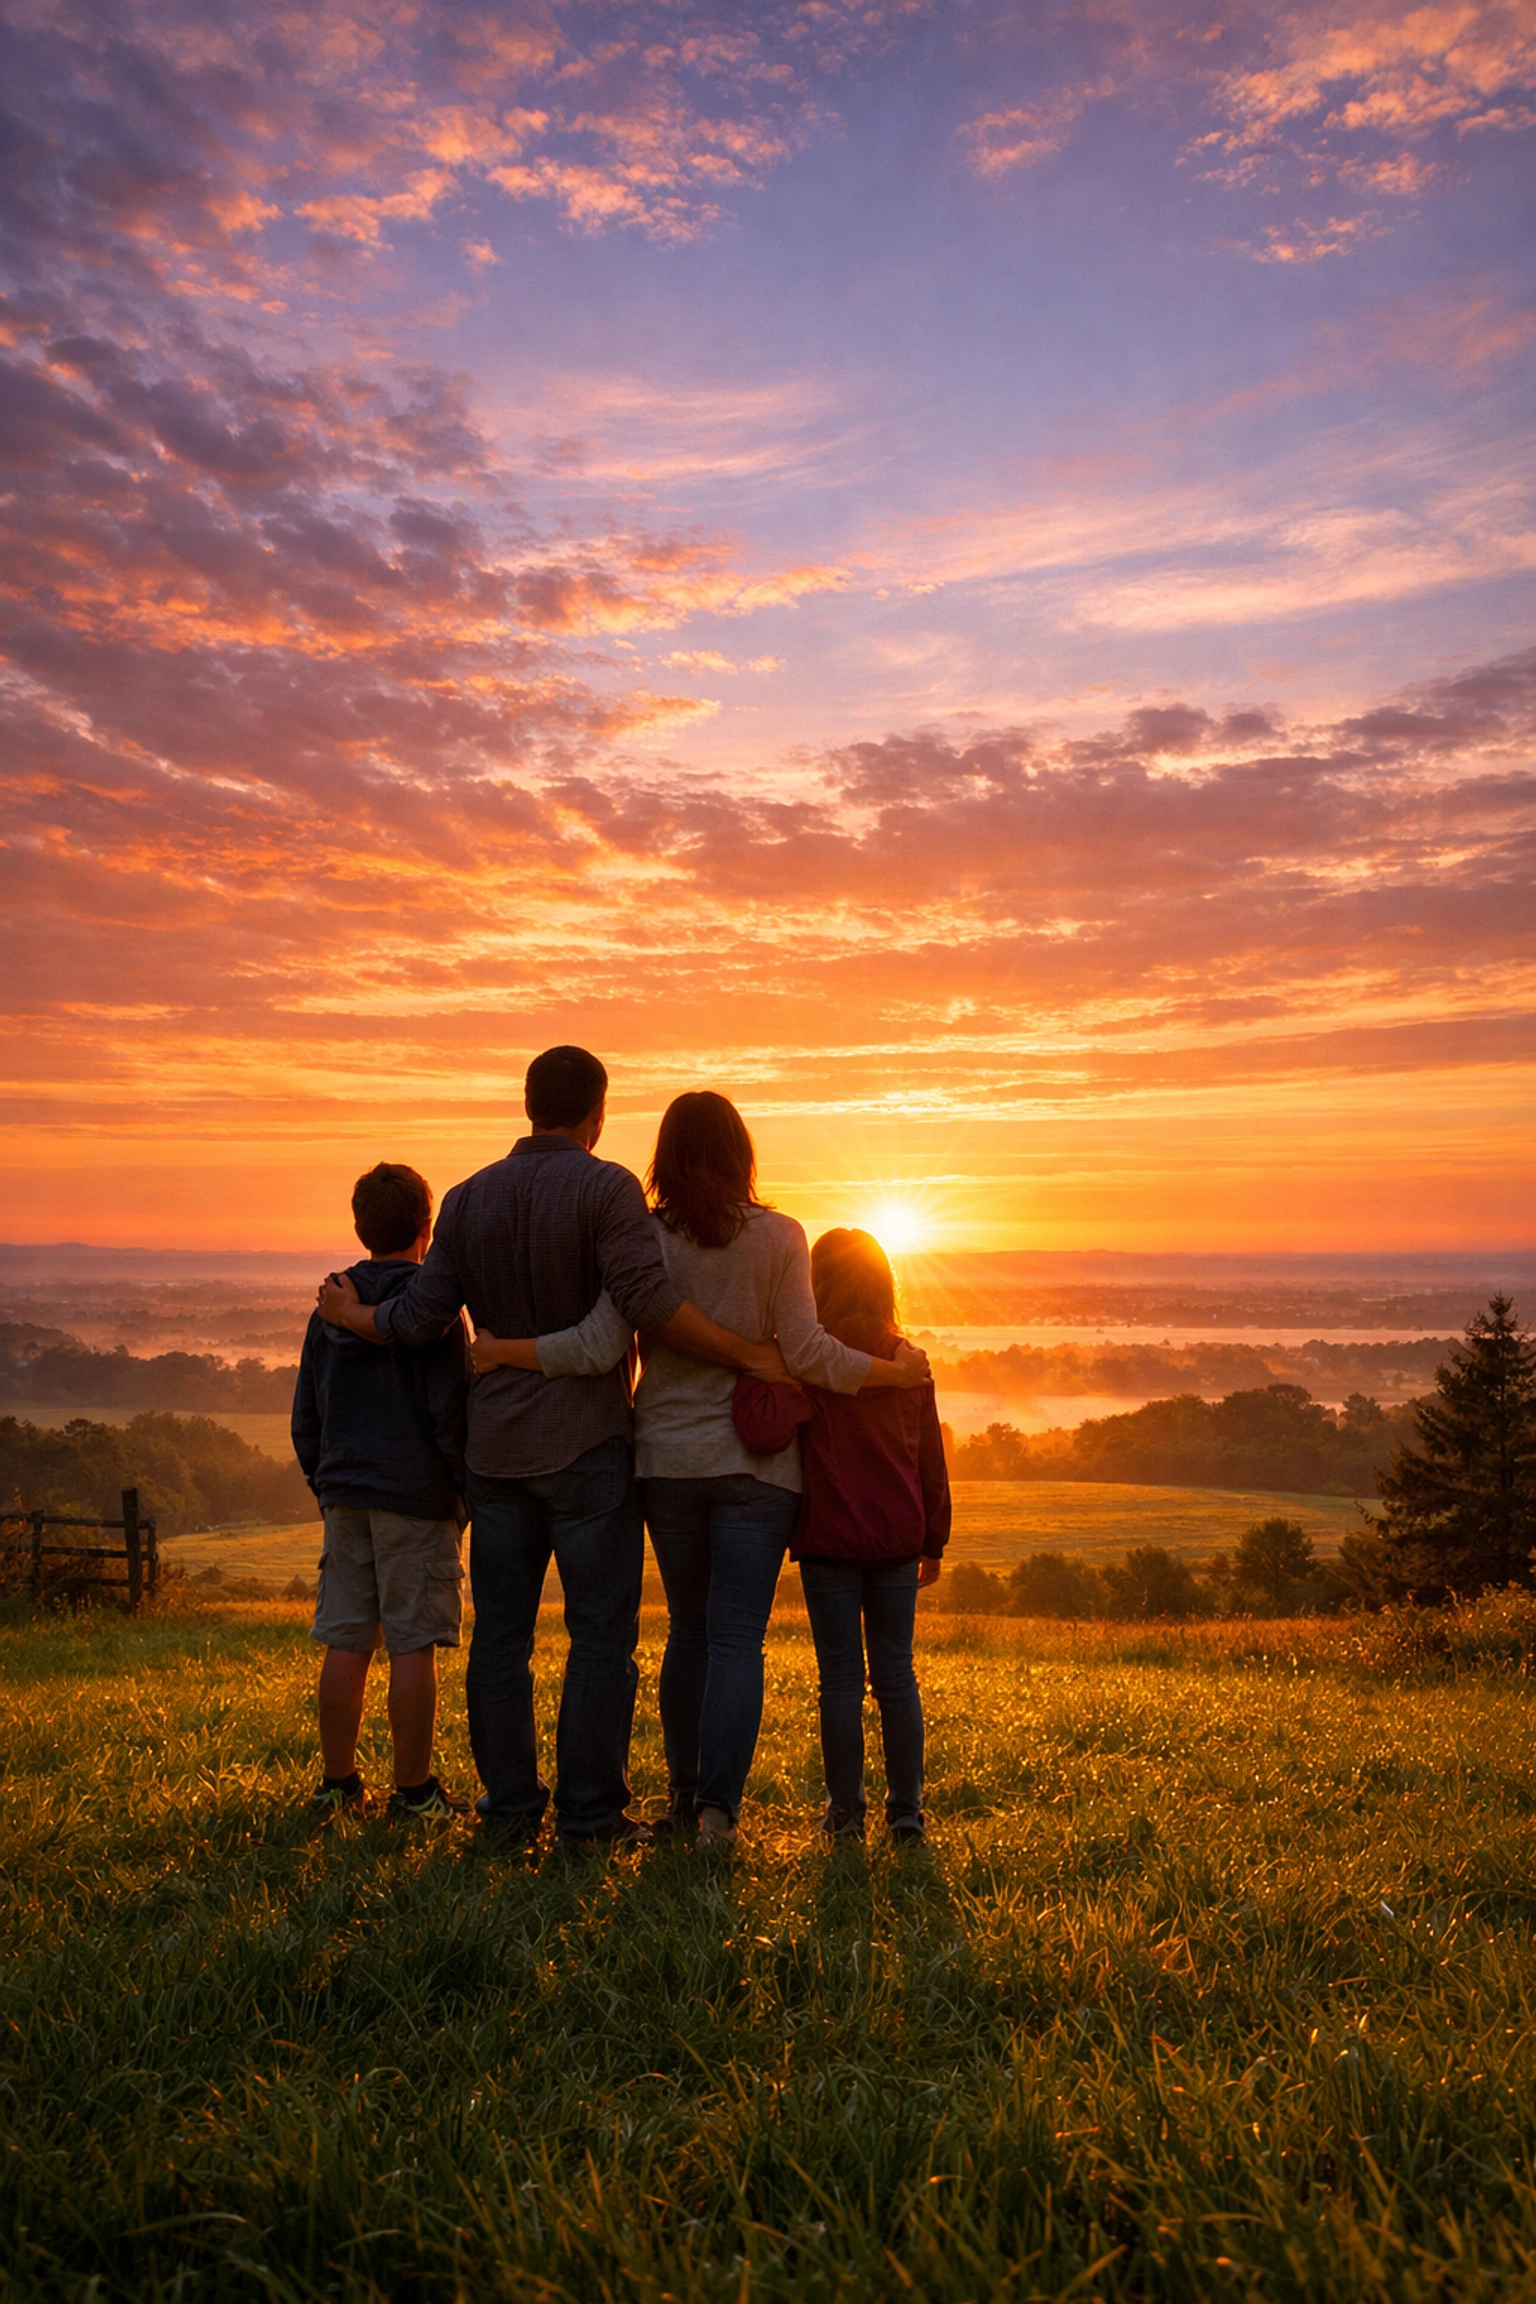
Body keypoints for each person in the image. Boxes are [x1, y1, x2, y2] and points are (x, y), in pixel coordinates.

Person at [316, 1048, 794, 1852]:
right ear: (596, 1114)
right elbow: (646, 1305)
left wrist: (350, 1316)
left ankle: (508, 1812)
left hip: (495, 1452)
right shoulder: (606, 1189)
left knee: (500, 1637)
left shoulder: (466, 1200)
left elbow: (420, 1318)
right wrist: (750, 1355)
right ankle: (587, 1819)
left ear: (530, 1105)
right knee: (600, 1637)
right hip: (588, 1447)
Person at [470, 1091, 931, 1849]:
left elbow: (596, 1346)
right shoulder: (780, 1235)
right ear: (741, 1152)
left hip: (666, 1460)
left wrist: (505, 1352)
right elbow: (809, 1354)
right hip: (758, 1466)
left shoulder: (643, 1235)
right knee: (735, 1637)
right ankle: (720, 1815)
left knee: (687, 1628)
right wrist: (894, 1376)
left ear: (664, 1156)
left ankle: (682, 1799)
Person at [292, 1161, 471, 1821]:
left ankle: (338, 1784)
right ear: (426, 1228)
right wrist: (461, 1491)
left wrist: (326, 1481)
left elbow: (305, 1415)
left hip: (345, 1491)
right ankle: (415, 1792)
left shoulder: (329, 1309)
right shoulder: (432, 1308)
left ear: (361, 1226)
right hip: (415, 1495)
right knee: (411, 1643)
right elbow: (452, 1412)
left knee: (347, 1637)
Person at [791, 1227, 949, 1844]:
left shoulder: (810, 1357)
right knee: (896, 1675)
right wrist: (934, 1537)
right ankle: (906, 1812)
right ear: (884, 1282)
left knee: (838, 1680)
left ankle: (845, 1814)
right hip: (895, 1537)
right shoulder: (908, 1361)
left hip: (828, 1536)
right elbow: (929, 1458)